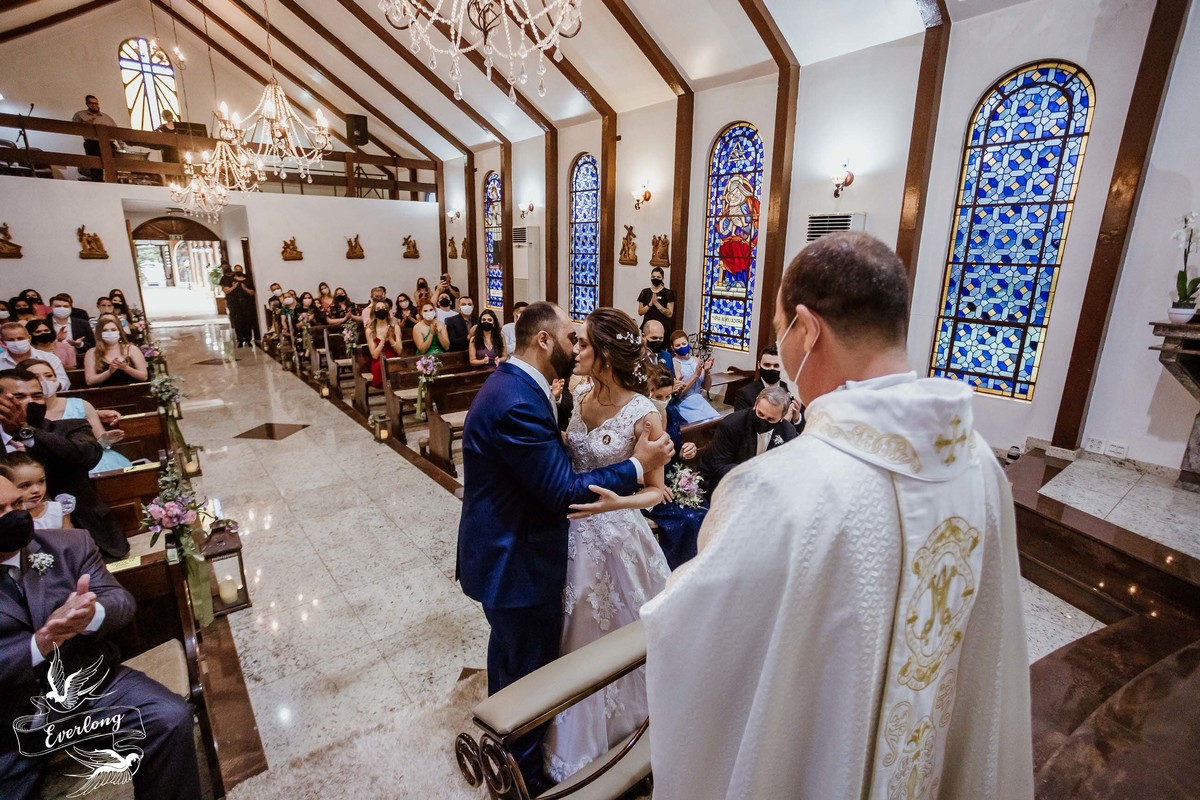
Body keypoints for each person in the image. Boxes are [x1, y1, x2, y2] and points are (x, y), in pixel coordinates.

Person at [642, 232, 1033, 799]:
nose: (781, 342)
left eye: (779, 327)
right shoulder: (978, 464)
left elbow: (703, 642)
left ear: (807, 327)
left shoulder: (779, 489)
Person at [457, 301, 674, 795]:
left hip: (601, 541)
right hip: (540, 547)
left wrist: (625, 490)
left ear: (604, 353)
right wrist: (634, 466)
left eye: (584, 342)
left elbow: (658, 490)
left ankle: (541, 751)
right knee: (536, 663)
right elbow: (559, 484)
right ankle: (522, 771)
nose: (575, 348)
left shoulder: (638, 410)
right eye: (570, 337)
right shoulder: (546, 397)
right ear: (543, 341)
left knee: (562, 655)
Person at [0, 475, 202, 800]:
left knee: (170, 717)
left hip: (87, 687)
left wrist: (92, 615)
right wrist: (38, 644)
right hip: (6, 722)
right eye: (1, 509)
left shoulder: (69, 544)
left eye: (17, 504)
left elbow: (121, 601)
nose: (14, 516)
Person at [0, 369, 127, 560]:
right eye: (18, 397)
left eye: (37, 396)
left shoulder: (69, 428)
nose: (29, 402)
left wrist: (26, 432)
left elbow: (87, 455)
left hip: (86, 538)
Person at [643, 368, 705, 570]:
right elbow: (627, 461)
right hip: (645, 485)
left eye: (668, 396)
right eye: (658, 396)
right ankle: (675, 571)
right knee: (686, 519)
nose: (663, 400)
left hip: (672, 478)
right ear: (647, 391)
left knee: (703, 510)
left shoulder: (671, 412)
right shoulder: (639, 418)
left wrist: (688, 449)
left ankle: (699, 569)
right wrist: (653, 485)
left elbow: (679, 445)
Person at [24, 359, 131, 475]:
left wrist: (105, 440)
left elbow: (99, 443)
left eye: (49, 376)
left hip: (91, 461)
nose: (44, 381)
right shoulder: (23, 412)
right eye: (37, 377)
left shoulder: (80, 405)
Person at [698, 385, 797, 490]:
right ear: (756, 403)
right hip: (722, 483)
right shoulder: (732, 425)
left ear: (782, 417)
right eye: (760, 414)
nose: (763, 421)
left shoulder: (787, 432)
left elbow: (786, 466)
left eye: (771, 419)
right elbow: (719, 467)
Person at [0, 452, 74, 529]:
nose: (36, 490)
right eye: (25, 485)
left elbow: (69, 539)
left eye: (41, 481)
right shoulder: (7, 517)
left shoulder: (58, 510)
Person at [0, 322, 69, 391]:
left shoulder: (49, 358)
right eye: (10, 340)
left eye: (20, 338)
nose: (16, 342)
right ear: (3, 342)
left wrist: (48, 386)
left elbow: (64, 383)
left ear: (29, 338)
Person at [669, 330, 718, 423]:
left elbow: (707, 387)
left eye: (684, 343)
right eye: (678, 345)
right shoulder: (674, 363)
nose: (682, 347)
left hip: (700, 401)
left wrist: (707, 371)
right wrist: (695, 375)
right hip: (684, 404)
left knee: (716, 422)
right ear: (672, 348)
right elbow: (678, 394)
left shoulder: (695, 360)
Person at [83, 317, 147, 387]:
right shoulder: (92, 353)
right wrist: (109, 372)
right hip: (104, 394)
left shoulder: (132, 349)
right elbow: (89, 381)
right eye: (105, 330)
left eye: (113, 330)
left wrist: (126, 368)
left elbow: (144, 377)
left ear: (119, 332)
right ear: (99, 333)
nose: (110, 333)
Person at [72, 94, 120, 181]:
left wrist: (122, 145)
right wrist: (84, 125)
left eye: (96, 103)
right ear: (87, 103)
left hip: (108, 144)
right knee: (96, 167)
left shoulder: (106, 118)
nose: (94, 105)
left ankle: (113, 184)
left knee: (111, 166)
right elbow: (72, 127)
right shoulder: (80, 115)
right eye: (91, 103)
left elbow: (117, 131)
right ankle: (98, 184)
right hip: (92, 143)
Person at [366, 301, 404, 389]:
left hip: (393, 357)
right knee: (382, 366)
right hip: (379, 359)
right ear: (374, 312)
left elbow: (399, 351)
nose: (381, 310)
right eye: (378, 309)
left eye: (383, 308)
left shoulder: (395, 327)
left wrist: (390, 338)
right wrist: (383, 340)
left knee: (396, 365)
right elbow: (374, 355)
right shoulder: (370, 330)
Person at [47, 294, 94, 359]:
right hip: (50, 358)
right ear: (51, 308)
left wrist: (79, 344)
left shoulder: (82, 323)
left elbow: (92, 344)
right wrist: (57, 341)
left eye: (65, 306)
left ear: (71, 308)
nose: (62, 308)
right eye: (58, 306)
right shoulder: (44, 324)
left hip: (77, 358)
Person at [225, 264, 256, 347]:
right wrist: (233, 287)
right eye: (237, 269)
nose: (238, 271)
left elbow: (252, 292)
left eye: (240, 269)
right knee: (238, 322)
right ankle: (240, 339)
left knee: (248, 321)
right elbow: (226, 291)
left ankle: (248, 339)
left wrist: (245, 288)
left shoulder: (248, 279)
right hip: (235, 304)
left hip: (246, 303)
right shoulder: (230, 280)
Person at [637, 266, 675, 330]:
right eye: (653, 277)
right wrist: (650, 305)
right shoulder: (645, 292)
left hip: (663, 327)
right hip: (647, 327)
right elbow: (640, 312)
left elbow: (669, 314)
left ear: (662, 278)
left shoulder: (668, 293)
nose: (655, 279)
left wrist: (657, 304)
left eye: (658, 277)